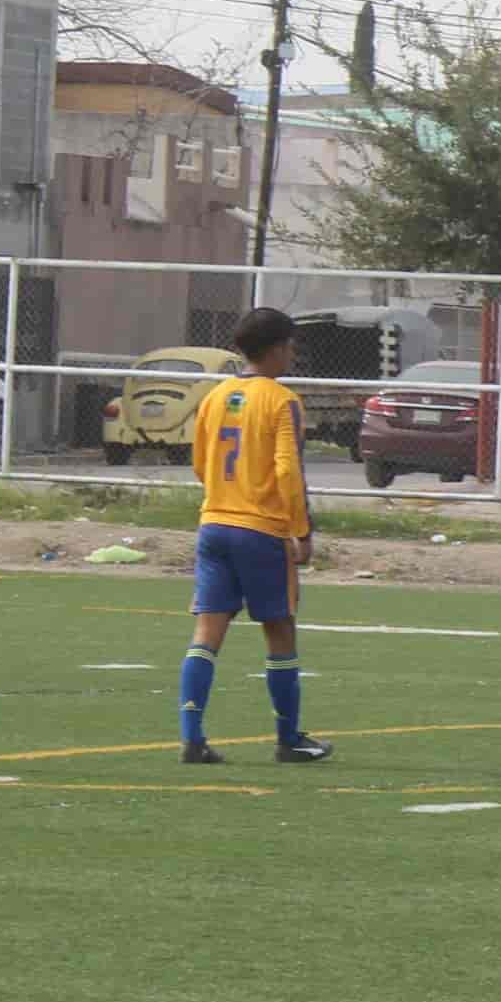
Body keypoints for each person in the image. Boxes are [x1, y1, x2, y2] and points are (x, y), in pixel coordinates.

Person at [181, 307, 331, 765]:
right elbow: (287, 470)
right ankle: (289, 739)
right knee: (279, 629)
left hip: (214, 524)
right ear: (278, 348)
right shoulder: (282, 401)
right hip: (260, 530)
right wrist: (301, 531)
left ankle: (192, 737)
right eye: (291, 346)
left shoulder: (214, 396)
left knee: (207, 632)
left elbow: (201, 463)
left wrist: (225, 496)